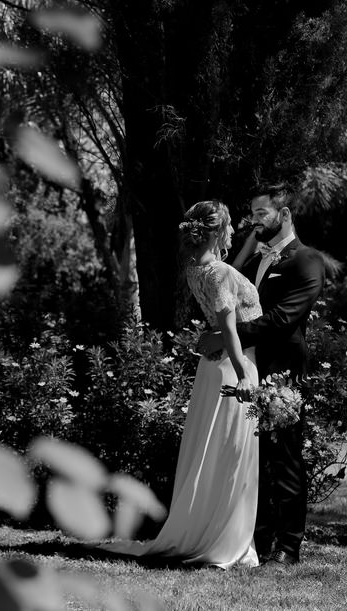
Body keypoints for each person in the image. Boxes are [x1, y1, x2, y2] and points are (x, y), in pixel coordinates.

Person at [104, 200, 262, 569]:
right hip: (231, 366)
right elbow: (229, 329)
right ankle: (227, 541)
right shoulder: (218, 272)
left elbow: (227, 285)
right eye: (229, 227)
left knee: (213, 453)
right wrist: (242, 374)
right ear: (218, 229)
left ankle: (210, 531)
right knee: (229, 456)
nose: (234, 232)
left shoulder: (198, 268)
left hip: (210, 369)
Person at [197, 184, 325, 568]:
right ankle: (255, 537)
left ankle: (288, 547)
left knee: (285, 457)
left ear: (285, 215)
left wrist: (224, 336)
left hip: (281, 372)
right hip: (247, 370)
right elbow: (230, 289)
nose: (254, 220)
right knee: (252, 457)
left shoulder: (307, 260)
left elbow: (283, 319)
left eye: (261, 213)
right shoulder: (255, 262)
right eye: (251, 213)